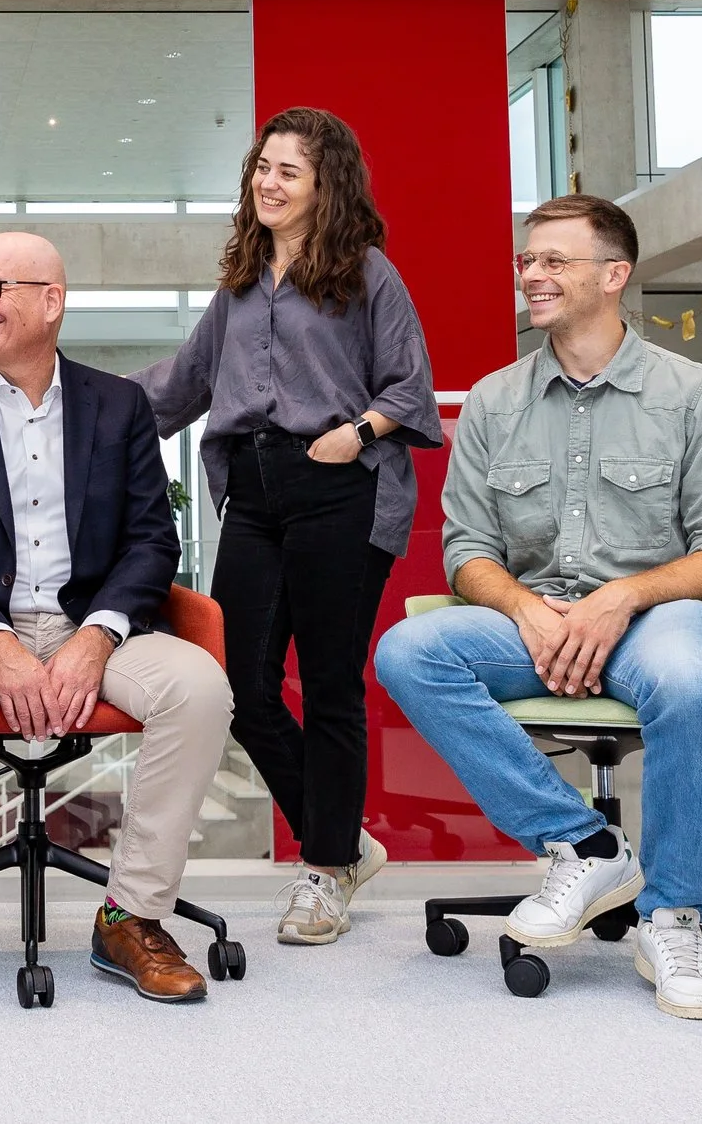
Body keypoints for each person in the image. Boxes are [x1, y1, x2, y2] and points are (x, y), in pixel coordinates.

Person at [374, 194, 702, 1022]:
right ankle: (584, 845)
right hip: (539, 621)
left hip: (659, 616)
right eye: (526, 261)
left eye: (555, 260)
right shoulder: (493, 401)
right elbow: (467, 551)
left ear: (614, 275)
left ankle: (675, 914)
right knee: (408, 652)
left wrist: (620, 598)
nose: (532, 275)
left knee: (690, 681)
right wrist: (526, 610)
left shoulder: (697, 395)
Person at [0, 232, 234, 1008]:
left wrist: (99, 633)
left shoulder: (121, 406)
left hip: (95, 625)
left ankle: (131, 914)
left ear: (52, 299)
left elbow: (151, 539)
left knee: (200, 689)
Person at [134, 106, 440, 945]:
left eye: (287, 171)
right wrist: (83, 406)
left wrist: (359, 435)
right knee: (236, 687)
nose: (267, 182)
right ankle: (340, 846)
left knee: (333, 683)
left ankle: (326, 867)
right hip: (253, 493)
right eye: (261, 167)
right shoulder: (238, 282)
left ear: (324, 185)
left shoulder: (367, 273)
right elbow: (184, 382)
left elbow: (410, 388)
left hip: (340, 485)